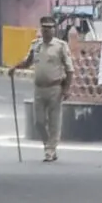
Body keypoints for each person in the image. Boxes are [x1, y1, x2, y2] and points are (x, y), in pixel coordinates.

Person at [22, 19, 73, 161]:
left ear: (54, 30)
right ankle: (48, 144)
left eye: (49, 28)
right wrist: (15, 68)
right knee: (38, 122)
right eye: (44, 28)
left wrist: (67, 89)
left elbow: (70, 69)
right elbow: (27, 61)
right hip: (39, 88)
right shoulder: (36, 45)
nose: (46, 31)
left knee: (54, 122)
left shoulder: (60, 46)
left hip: (55, 88)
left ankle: (50, 150)